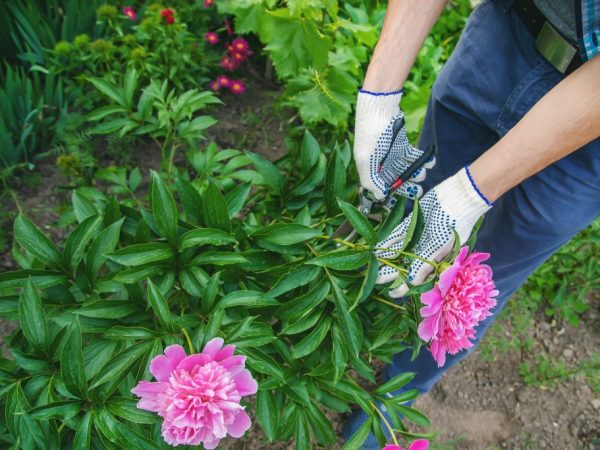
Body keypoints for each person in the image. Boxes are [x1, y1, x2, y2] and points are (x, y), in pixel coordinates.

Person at [345, 0, 600, 446]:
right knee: (416, 207)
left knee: (482, 277)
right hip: (508, 29)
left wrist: (468, 197)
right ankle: (353, 315)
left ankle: (397, 388)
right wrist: (378, 97)